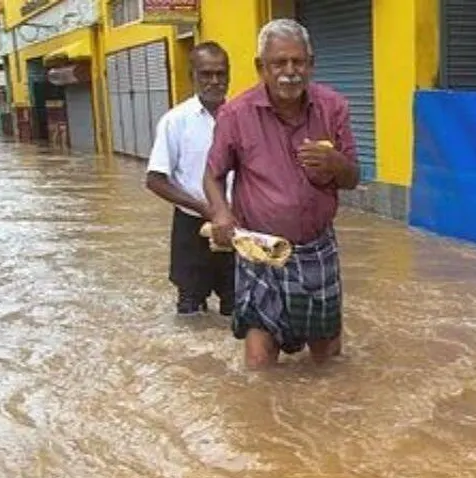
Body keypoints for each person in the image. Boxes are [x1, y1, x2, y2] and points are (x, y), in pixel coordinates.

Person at [203, 18, 359, 369]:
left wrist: (335, 162)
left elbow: (352, 178)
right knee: (259, 362)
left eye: (298, 62)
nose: (290, 71)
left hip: (316, 249)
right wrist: (221, 213)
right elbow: (213, 175)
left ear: (311, 64)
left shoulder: (334, 108)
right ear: (261, 68)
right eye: (279, 63)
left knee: (327, 359)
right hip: (259, 250)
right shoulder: (236, 114)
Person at [145, 41, 234, 316]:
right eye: (206, 74)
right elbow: (155, 179)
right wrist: (208, 210)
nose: (214, 81)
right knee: (190, 311)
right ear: (191, 76)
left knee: (239, 309)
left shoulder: (241, 117)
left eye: (221, 74)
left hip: (237, 226)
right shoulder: (176, 121)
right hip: (191, 227)